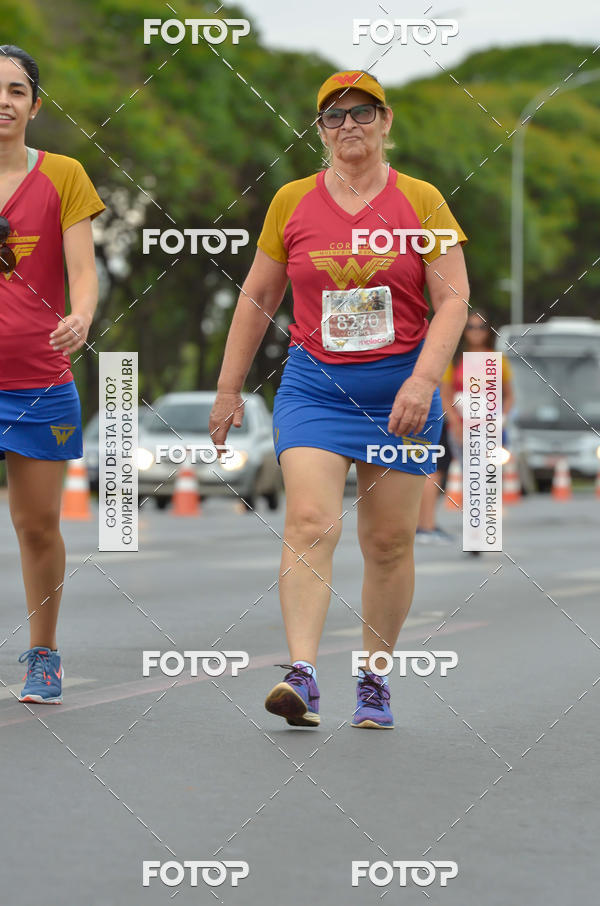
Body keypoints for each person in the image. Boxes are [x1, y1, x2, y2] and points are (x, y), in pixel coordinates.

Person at [210, 70, 469, 729]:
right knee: (309, 521)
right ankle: (301, 674)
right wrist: (229, 388)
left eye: (362, 113)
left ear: (386, 121)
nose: (348, 125)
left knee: (388, 542)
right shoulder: (292, 201)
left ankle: (374, 681)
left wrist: (423, 380)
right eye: (334, 116)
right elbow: (258, 297)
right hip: (315, 389)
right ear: (320, 130)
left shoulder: (423, 201)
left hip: (401, 394)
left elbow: (452, 301)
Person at [0, 46, 105, 703]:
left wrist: (82, 316)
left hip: (36, 380)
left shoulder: (63, 175)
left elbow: (84, 272)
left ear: (35, 105)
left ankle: (44, 654)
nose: (3, 102)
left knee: (36, 525)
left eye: (16, 91)